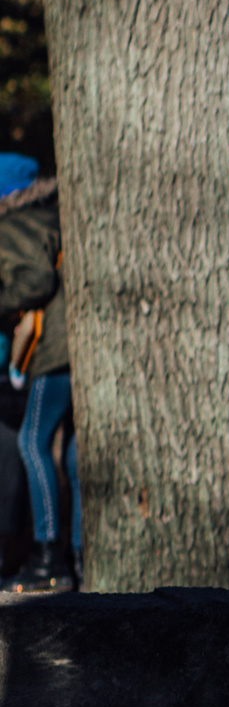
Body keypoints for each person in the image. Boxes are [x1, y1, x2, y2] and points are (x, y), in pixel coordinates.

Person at [0, 152, 73, 592]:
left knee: (31, 442)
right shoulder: (52, 216)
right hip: (76, 346)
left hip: (54, 351)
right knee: (78, 457)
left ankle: (50, 557)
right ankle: (77, 552)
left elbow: (33, 282)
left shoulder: (11, 225)